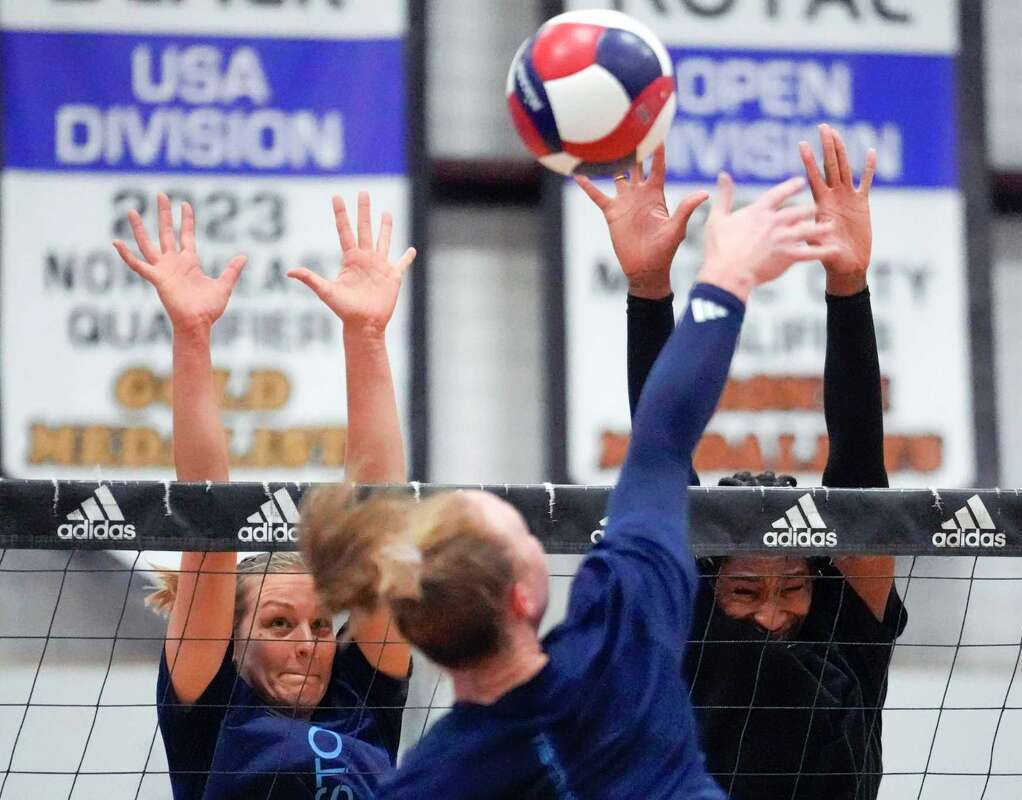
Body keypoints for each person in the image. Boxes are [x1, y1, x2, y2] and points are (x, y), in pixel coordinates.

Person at [297, 168, 841, 798]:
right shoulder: (617, 644)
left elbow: (661, 447)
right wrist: (727, 277)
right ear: (524, 596)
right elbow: (662, 442)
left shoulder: (427, 783)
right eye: (517, 530)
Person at [576, 124, 907, 799]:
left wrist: (848, 283)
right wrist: (648, 288)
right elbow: (661, 450)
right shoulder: (693, 642)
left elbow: (859, 474)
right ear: (708, 592)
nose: (773, 614)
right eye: (746, 593)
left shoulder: (846, 642)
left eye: (791, 588)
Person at [117, 192, 413, 798]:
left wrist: (367, 334)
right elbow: (206, 520)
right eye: (279, 623)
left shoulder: (363, 694)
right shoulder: (211, 707)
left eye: (320, 625)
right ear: (230, 642)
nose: (308, 645)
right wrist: (192, 336)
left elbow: (379, 517)